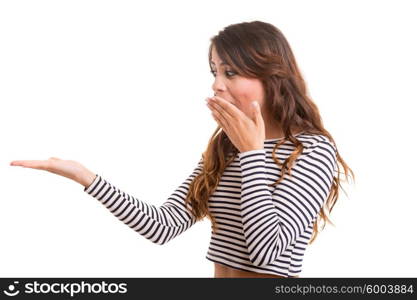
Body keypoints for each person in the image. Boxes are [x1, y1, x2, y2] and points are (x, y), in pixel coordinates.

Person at [10, 20, 355, 278]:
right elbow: (163, 226)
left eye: (231, 72)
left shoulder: (311, 150)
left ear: (271, 76)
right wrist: (86, 177)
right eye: (215, 71)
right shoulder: (227, 146)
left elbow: (267, 252)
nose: (216, 85)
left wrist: (252, 154)